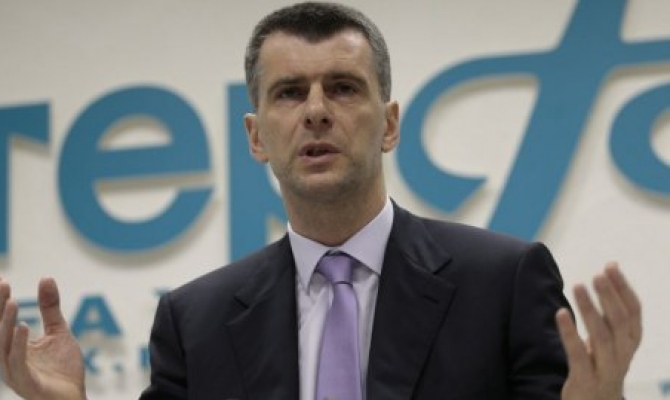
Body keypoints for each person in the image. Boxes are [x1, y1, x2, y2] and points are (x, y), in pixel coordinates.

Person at [0, 2, 642, 400]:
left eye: (342, 87)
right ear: (256, 136)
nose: (315, 111)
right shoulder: (194, 323)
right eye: (288, 93)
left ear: (390, 124)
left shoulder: (503, 283)